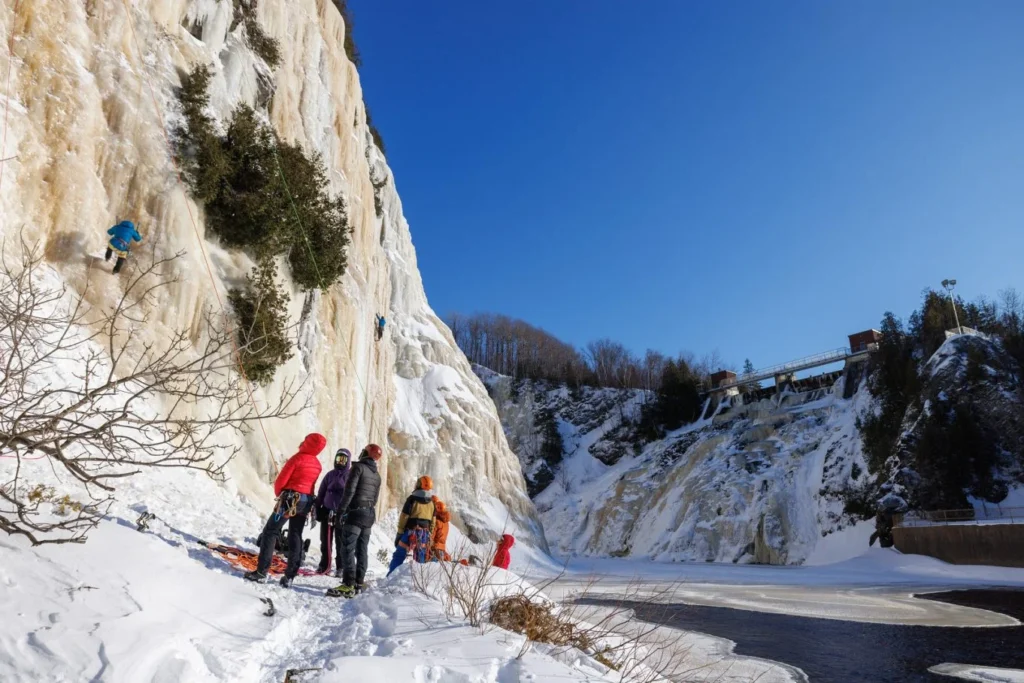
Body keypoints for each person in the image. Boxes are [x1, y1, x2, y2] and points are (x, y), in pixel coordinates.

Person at [245, 433, 325, 587]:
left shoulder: (297, 458)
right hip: (306, 501)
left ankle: (261, 572)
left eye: (305, 440)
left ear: (308, 443)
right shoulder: (317, 464)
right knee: (296, 535)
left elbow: (281, 480)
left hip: (290, 500)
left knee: (271, 531)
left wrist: (279, 494)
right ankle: (289, 576)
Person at [327, 444, 383, 597]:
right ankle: (358, 582)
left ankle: (348, 584)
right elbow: (375, 498)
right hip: (369, 514)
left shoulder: (357, 468)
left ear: (366, 453)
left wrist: (341, 512)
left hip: (355, 514)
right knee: (362, 549)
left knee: (347, 548)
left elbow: (349, 491)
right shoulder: (377, 475)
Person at [387, 475, 436, 575]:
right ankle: (418, 580)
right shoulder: (432, 503)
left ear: (418, 485)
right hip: (424, 533)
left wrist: (400, 532)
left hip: (410, 532)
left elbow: (404, 517)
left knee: (399, 555)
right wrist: (429, 534)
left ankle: (390, 576)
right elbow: (433, 522)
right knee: (420, 558)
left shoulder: (412, 499)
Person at [315, 448, 353, 574]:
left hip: (342, 514)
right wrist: (318, 508)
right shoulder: (330, 475)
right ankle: (324, 564)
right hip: (327, 511)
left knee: (340, 541)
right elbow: (321, 492)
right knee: (325, 541)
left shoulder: (350, 476)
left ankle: (340, 567)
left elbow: (352, 495)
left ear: (347, 461)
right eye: (339, 458)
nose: (341, 462)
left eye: (343, 459)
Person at [430, 497, 451, 561]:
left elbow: (432, 535)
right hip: (442, 548)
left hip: (435, 549)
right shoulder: (446, 523)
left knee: (432, 566)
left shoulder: (437, 521)